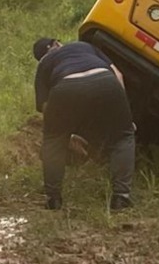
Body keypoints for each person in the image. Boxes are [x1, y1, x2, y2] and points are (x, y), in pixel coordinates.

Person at [32, 37, 135, 211]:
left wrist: (64, 135)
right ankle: (121, 198)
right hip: (105, 81)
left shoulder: (44, 64)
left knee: (53, 140)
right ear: (57, 43)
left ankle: (53, 199)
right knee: (122, 136)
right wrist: (123, 114)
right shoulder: (84, 46)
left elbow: (46, 106)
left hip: (66, 86)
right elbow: (117, 74)